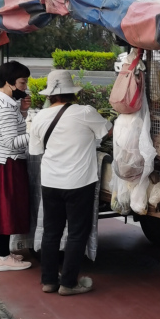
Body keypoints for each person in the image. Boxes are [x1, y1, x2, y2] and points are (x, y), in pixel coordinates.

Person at [28, 69, 110, 296]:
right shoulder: (85, 112)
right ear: (72, 93)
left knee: (51, 232)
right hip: (79, 182)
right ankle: (69, 283)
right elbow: (107, 131)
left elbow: (36, 150)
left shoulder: (39, 118)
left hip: (51, 181)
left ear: (50, 95)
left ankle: (48, 281)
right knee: (76, 232)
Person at [0, 60, 33, 272]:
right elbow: (11, 142)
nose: (25, 87)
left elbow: (10, 130)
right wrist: (36, 133)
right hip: (6, 162)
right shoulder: (4, 107)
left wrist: (22, 113)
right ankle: (3, 257)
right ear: (9, 83)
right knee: (5, 208)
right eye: (22, 82)